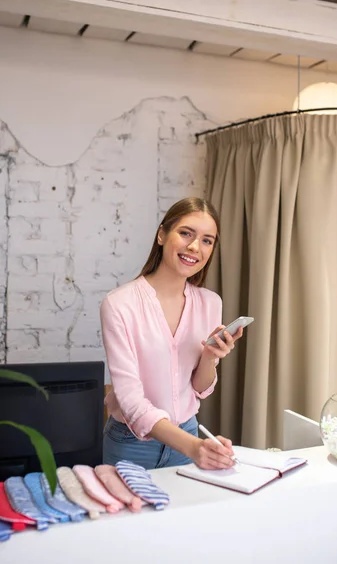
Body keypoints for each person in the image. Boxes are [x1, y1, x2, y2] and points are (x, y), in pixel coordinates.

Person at [101, 197, 243, 470]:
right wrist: (193, 447)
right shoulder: (119, 304)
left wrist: (209, 357)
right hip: (132, 445)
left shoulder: (210, 302)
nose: (194, 247)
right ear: (162, 234)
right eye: (186, 233)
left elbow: (200, 388)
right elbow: (130, 400)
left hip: (188, 434)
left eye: (207, 240)